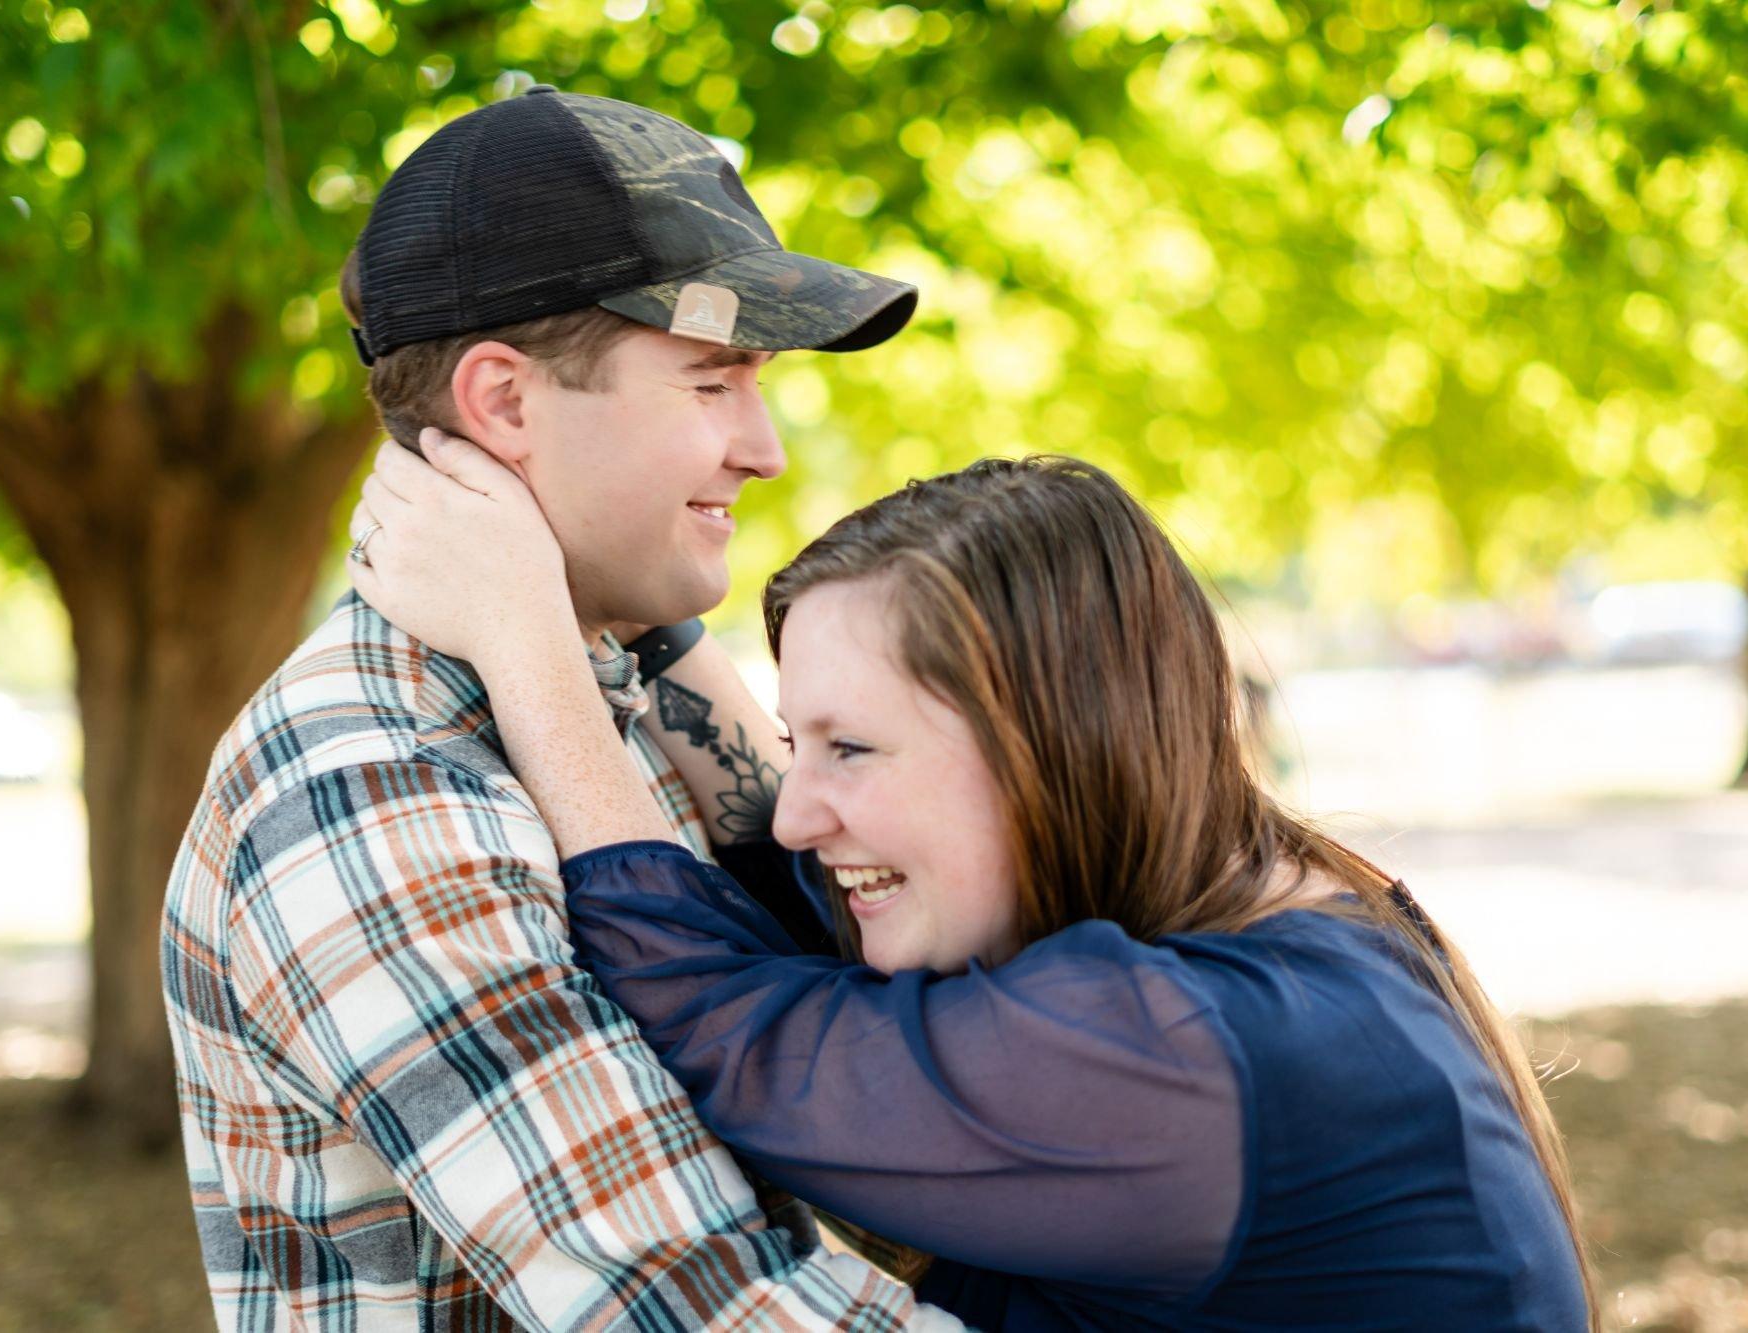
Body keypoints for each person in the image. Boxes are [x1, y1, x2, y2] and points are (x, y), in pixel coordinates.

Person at [347, 442, 1601, 1331]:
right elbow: (786, 886)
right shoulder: (1301, 914)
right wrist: (631, 600)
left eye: (851, 747)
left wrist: (523, 633)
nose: (795, 802)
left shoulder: (1195, 1053)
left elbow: (724, 1021)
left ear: (1045, 745)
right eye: (802, 736)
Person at [160, 86, 966, 1331]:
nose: (766, 449)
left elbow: (875, 1044)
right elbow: (699, 1306)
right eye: (711, 382)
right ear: (503, 403)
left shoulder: (610, 682)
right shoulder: (367, 786)